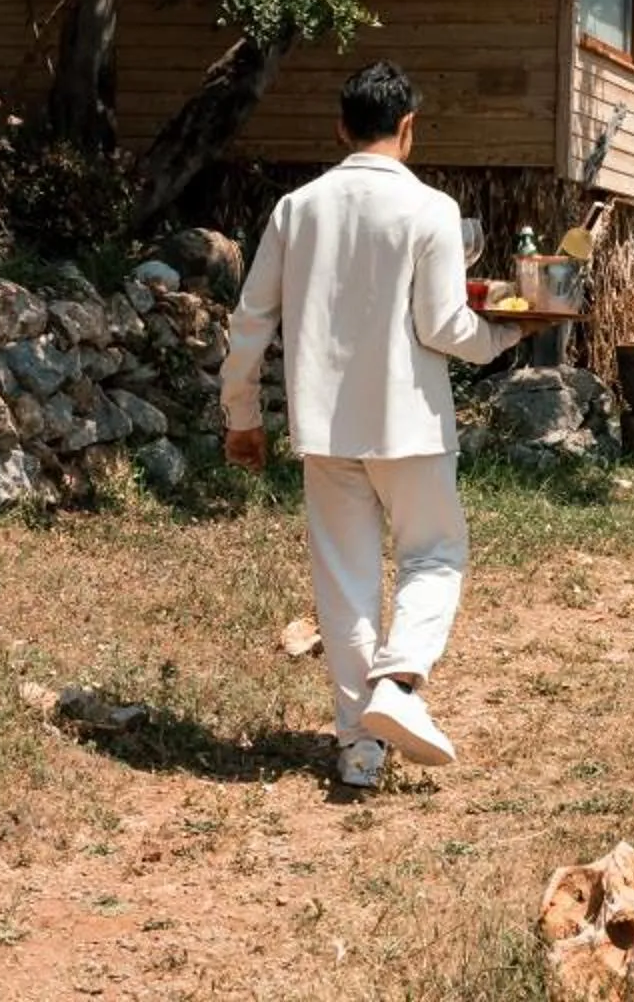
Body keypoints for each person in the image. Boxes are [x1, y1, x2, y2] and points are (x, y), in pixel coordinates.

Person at [219, 60, 520, 789]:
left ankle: (359, 746)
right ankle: (400, 681)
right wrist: (507, 335)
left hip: (325, 428)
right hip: (410, 423)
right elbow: (446, 326)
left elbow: (251, 320)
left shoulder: (298, 207)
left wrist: (242, 416)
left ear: (341, 127)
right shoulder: (432, 210)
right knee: (435, 554)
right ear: (408, 127)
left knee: (345, 580)